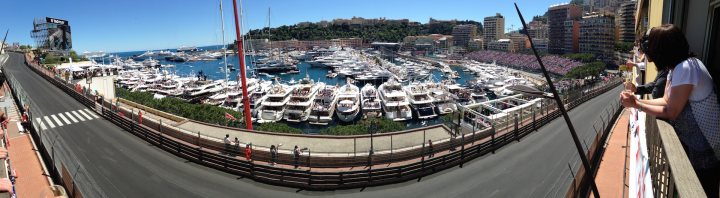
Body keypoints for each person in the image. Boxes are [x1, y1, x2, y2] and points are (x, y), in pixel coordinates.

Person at [620, 24, 720, 197]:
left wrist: (636, 105)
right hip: (698, 144)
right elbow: (666, 100)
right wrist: (635, 100)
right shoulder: (679, 68)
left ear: (662, 50)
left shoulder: (685, 69)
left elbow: (671, 110)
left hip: (706, 149)